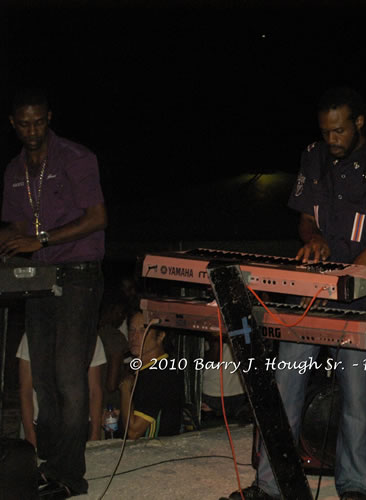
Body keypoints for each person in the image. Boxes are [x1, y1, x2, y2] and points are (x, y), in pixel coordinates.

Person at [231, 87, 366, 500]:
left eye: (339, 131)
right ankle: (271, 484)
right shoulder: (312, 156)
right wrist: (314, 239)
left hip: (360, 299)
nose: (332, 139)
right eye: (326, 131)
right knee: (285, 388)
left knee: (355, 397)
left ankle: (353, 486)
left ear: (358, 123)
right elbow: (305, 219)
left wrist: (345, 280)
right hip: (309, 297)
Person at [0, 88, 107, 498]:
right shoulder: (13, 171)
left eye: (39, 121)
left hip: (78, 272)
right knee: (42, 376)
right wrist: (11, 240)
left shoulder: (77, 159)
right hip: (37, 276)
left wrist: (41, 240)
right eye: (24, 123)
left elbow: (98, 218)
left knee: (68, 375)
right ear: (13, 124)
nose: (32, 130)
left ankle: (72, 476)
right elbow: (17, 231)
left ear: (49, 117)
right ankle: (52, 465)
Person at [17, 333, 107, 445]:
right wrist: (30, 434)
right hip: (42, 424)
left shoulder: (89, 334)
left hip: (79, 426)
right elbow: (25, 390)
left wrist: (95, 433)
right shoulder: (34, 332)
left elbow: (95, 390)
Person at [118, 310, 183, 439]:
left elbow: (133, 432)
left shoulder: (158, 375)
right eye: (131, 330)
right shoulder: (146, 369)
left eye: (143, 331)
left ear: (160, 336)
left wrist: (125, 390)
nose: (134, 337)